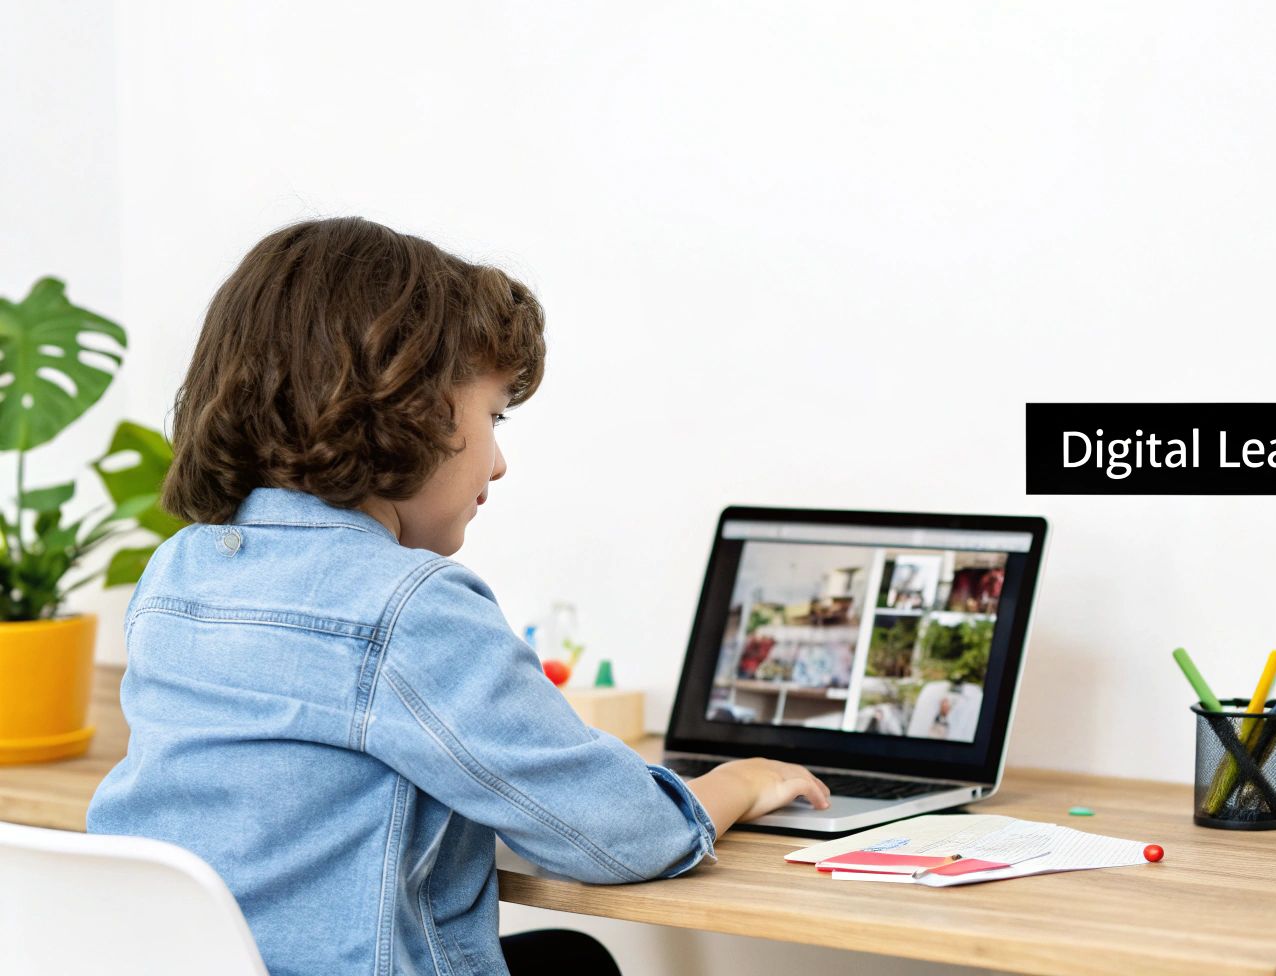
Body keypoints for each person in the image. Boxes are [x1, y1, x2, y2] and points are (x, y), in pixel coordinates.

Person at [86, 217, 831, 975]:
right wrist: (740, 781)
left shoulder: (176, 575)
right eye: (493, 416)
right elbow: (621, 836)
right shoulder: (407, 608)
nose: (500, 462)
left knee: (570, 957)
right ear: (406, 409)